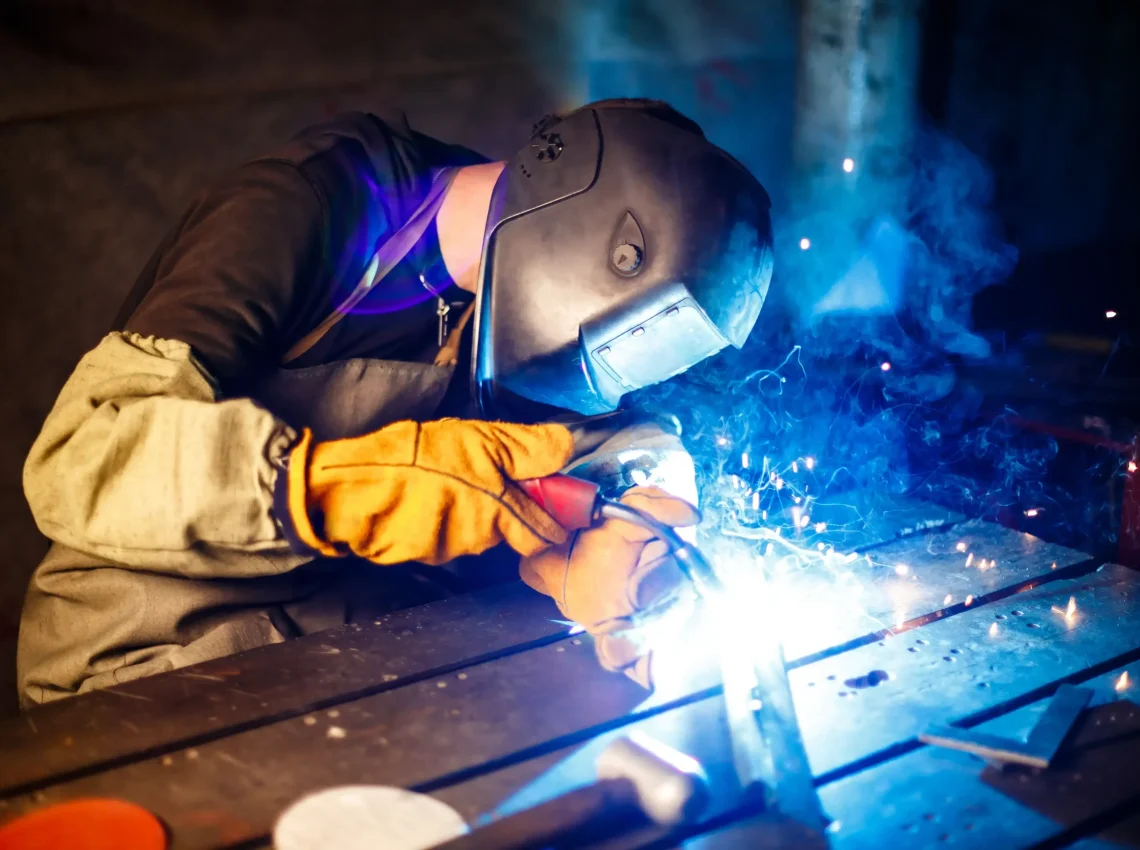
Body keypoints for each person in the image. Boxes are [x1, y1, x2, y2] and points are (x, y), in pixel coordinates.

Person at [17, 99, 774, 707]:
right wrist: (332, 491)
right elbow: (81, 458)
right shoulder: (306, 206)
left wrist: (645, 512)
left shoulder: (528, 304)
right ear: (585, 237)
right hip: (146, 659)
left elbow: (609, 440)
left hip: (346, 643)